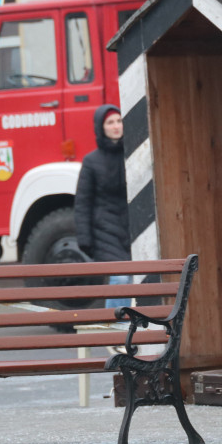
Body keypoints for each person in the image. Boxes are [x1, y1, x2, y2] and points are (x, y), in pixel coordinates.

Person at [74, 104, 131, 310]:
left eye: (119, 121)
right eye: (110, 122)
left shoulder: (134, 153)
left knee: (141, 280)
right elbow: (82, 201)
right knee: (122, 278)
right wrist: (85, 239)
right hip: (105, 232)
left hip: (131, 229)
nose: (116, 126)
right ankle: (118, 332)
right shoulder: (91, 161)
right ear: (101, 127)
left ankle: (133, 331)